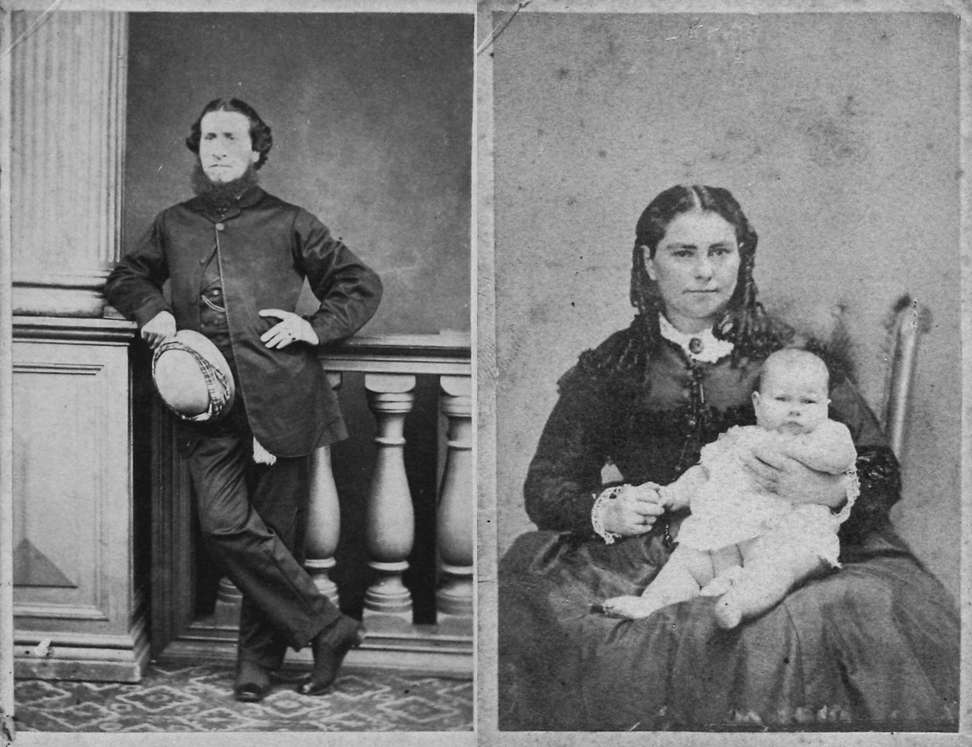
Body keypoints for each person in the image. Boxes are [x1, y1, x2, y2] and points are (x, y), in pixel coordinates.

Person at [498, 184, 959, 730]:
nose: (705, 272)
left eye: (720, 252)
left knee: (824, 618)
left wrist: (828, 491)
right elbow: (549, 484)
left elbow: (878, 464)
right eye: (683, 253)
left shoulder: (789, 356)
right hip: (656, 553)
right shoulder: (615, 364)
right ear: (648, 261)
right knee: (542, 593)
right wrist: (610, 508)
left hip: (786, 545)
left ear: (743, 256)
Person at [104, 98, 383, 702]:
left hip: (283, 399)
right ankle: (328, 627)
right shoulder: (174, 223)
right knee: (227, 526)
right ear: (197, 149)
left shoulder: (290, 221)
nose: (219, 148)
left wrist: (315, 326)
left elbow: (359, 284)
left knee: (274, 537)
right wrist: (153, 312)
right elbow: (127, 276)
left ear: (257, 150)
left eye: (232, 137)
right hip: (207, 407)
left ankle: (256, 668)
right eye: (208, 138)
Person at [600, 348, 857, 629]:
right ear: (758, 404)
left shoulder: (827, 435)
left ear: (826, 406)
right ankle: (652, 602)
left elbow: (841, 458)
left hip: (788, 530)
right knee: (687, 562)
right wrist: (673, 493)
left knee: (777, 565)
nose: (795, 409)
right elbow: (703, 472)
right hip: (728, 531)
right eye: (782, 399)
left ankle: (739, 603)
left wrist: (794, 448)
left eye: (809, 401)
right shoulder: (739, 438)